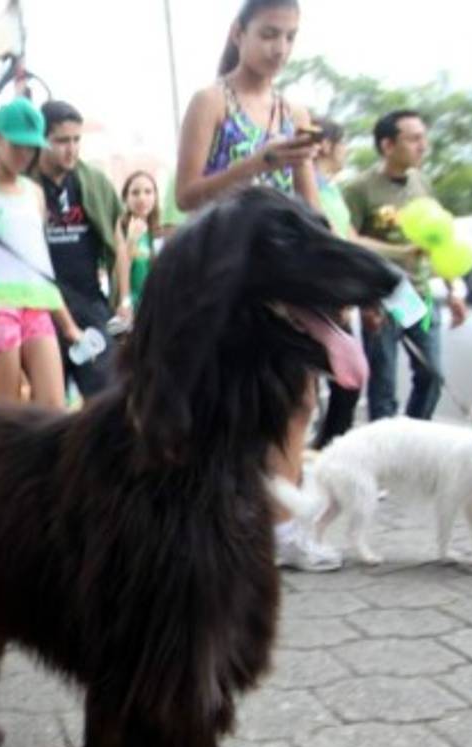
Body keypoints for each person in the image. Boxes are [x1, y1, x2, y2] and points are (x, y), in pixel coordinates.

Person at [174, 0, 340, 573]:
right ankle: (212, 525)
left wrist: (301, 175)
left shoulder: (294, 108)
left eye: (290, 38)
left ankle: (283, 527)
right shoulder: (210, 102)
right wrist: (258, 160)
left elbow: (308, 204)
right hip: (220, 272)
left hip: (279, 273)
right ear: (239, 33)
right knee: (225, 399)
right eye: (269, 34)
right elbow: (187, 196)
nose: (279, 48)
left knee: (299, 394)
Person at [345, 109, 467, 422]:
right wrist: (399, 253)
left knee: (432, 375)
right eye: (413, 139)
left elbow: (440, 238)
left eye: (423, 138)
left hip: (419, 297)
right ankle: (384, 454)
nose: (422, 146)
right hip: (385, 295)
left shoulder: (422, 183)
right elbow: (348, 240)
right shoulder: (361, 188)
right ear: (387, 145)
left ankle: (411, 437)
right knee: (383, 386)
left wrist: (454, 289)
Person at [0, 98, 83, 408]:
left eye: (31, 147)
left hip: (38, 305)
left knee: (53, 408)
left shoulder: (34, 193)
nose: (25, 154)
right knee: (4, 414)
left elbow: (39, 263)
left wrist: (68, 324)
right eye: (17, 145)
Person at [34, 100, 123, 400]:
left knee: (108, 400)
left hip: (90, 304)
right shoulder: (24, 184)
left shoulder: (93, 182)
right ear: (41, 140)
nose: (71, 149)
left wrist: (122, 300)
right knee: (47, 410)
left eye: (76, 140)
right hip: (41, 308)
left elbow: (117, 240)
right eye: (61, 141)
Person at [309, 117, 361, 450]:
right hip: (319, 298)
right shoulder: (307, 186)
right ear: (325, 144)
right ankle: (328, 447)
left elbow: (350, 239)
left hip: (340, 293)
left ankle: (329, 446)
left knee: (350, 380)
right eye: (344, 143)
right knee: (341, 381)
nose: (346, 151)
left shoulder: (331, 190)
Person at [113, 170, 162, 325]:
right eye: (135, 193)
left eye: (148, 192)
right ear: (126, 198)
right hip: (132, 307)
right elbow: (121, 267)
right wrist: (125, 303)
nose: (142, 198)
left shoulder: (159, 229)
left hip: (155, 306)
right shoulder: (121, 226)